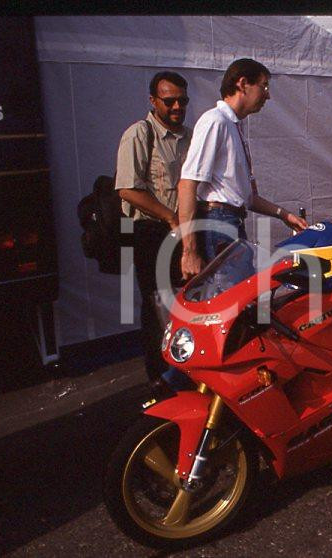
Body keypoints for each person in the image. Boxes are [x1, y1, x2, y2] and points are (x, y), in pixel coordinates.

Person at [176, 58, 307, 281]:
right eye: (264, 86)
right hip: (217, 223)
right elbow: (187, 184)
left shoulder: (233, 126)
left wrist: (284, 215)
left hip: (230, 221)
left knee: (241, 298)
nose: (268, 95)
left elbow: (247, 197)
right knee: (230, 300)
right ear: (243, 84)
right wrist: (190, 251)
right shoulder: (214, 121)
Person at [115, 71, 192, 392]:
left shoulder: (189, 136)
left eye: (182, 100)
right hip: (151, 232)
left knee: (186, 305)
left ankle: (184, 373)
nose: (176, 106)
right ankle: (160, 379)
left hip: (183, 231)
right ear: (153, 101)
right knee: (159, 308)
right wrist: (170, 217)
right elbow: (127, 189)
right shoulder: (139, 134)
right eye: (169, 100)